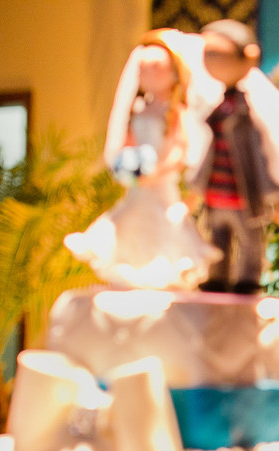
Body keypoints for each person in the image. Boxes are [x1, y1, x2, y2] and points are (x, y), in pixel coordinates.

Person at [64, 29, 220, 290]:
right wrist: (128, 163)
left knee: (165, 226)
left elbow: (179, 149)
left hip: (161, 183)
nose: (147, 73)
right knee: (128, 222)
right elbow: (129, 140)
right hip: (140, 183)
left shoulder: (175, 112)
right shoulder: (139, 109)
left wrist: (159, 170)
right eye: (143, 67)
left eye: (155, 66)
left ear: (174, 71)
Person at [192, 19, 279, 294]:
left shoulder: (248, 115)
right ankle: (217, 276)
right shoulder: (219, 112)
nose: (209, 60)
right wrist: (197, 187)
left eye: (216, 53)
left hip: (244, 197)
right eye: (207, 54)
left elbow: (264, 156)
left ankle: (247, 279)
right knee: (217, 240)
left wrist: (278, 197)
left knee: (249, 241)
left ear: (248, 55)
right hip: (217, 194)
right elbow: (208, 155)